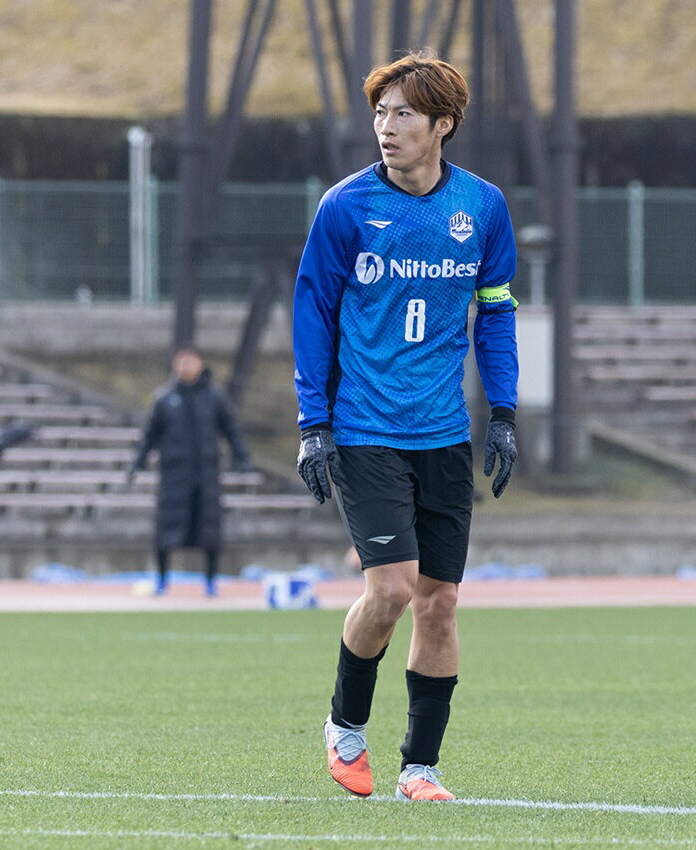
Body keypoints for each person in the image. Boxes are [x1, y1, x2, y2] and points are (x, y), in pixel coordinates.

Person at [293, 52, 519, 802]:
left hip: (444, 432)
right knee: (390, 589)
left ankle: (419, 768)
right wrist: (314, 423)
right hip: (365, 427)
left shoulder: (482, 207)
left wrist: (504, 412)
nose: (386, 128)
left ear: (443, 124)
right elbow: (312, 313)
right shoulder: (345, 207)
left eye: (404, 115)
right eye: (380, 114)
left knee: (440, 602)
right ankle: (344, 725)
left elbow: (496, 312)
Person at [128, 346, 253, 597]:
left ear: (200, 364)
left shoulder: (215, 398)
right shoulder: (164, 399)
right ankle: (162, 580)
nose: (186, 366)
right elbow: (150, 435)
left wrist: (242, 459)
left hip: (206, 476)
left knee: (210, 529)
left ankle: (210, 582)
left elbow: (231, 430)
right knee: (166, 529)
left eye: (191, 361)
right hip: (174, 476)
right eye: (182, 362)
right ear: (175, 365)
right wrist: (137, 463)